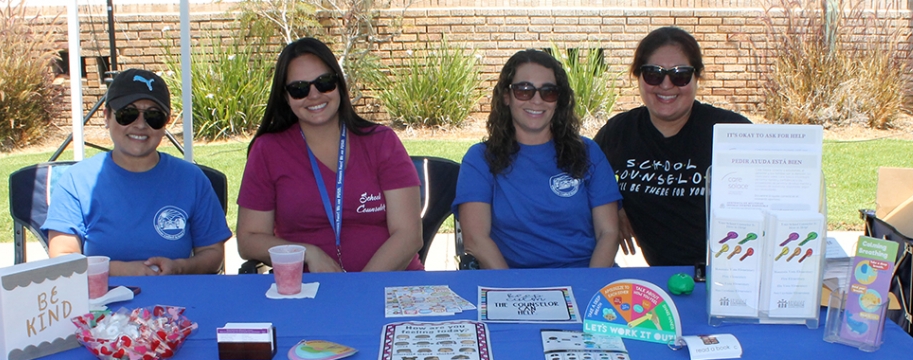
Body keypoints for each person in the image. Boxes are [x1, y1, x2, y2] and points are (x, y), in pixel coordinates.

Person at [237, 37, 423, 272]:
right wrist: (307, 253)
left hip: (389, 287)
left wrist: (356, 289)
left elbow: (409, 235)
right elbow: (249, 239)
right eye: (299, 89)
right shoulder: (268, 150)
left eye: (324, 83)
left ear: (339, 85)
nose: (314, 95)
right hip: (307, 289)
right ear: (285, 97)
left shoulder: (381, 141)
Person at [43, 68, 232, 276]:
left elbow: (212, 254)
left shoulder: (192, 179)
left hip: (175, 301)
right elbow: (62, 256)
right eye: (128, 114)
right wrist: (119, 270)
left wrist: (180, 267)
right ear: (106, 116)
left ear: (166, 123)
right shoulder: (77, 181)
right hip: (100, 302)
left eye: (154, 116)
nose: (141, 125)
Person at [594, 26, 752, 267]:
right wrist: (613, 206)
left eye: (679, 75)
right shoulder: (620, 132)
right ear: (638, 77)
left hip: (730, 274)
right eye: (653, 74)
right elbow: (579, 178)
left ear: (697, 77)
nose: (666, 85)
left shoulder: (731, 131)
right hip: (665, 279)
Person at [453, 49, 621, 269]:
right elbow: (476, 240)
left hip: (585, 275)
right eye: (524, 90)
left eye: (548, 92)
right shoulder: (480, 159)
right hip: (510, 279)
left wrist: (589, 285)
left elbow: (608, 232)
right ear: (506, 96)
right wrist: (513, 292)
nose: (536, 100)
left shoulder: (588, 152)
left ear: (558, 99)